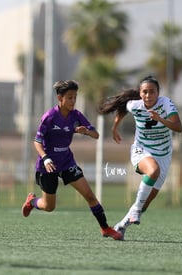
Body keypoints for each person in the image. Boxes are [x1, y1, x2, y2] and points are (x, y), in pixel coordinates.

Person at [21, 80, 122, 240]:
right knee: (49, 207)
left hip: (67, 162)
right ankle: (32, 202)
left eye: (75, 97)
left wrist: (86, 132)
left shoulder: (76, 115)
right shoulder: (49, 117)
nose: (73, 101)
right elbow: (37, 141)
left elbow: (96, 134)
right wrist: (45, 158)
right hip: (48, 165)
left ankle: (105, 228)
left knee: (89, 195)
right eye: (69, 98)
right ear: (60, 98)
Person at [98, 75, 182, 240]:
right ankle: (135, 211)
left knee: (145, 204)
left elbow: (178, 127)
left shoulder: (166, 104)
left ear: (158, 93)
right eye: (145, 92)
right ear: (140, 93)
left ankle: (121, 226)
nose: (148, 95)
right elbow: (123, 107)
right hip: (141, 150)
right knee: (153, 171)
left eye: (152, 92)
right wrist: (115, 127)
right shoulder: (135, 104)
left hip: (164, 154)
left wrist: (160, 119)